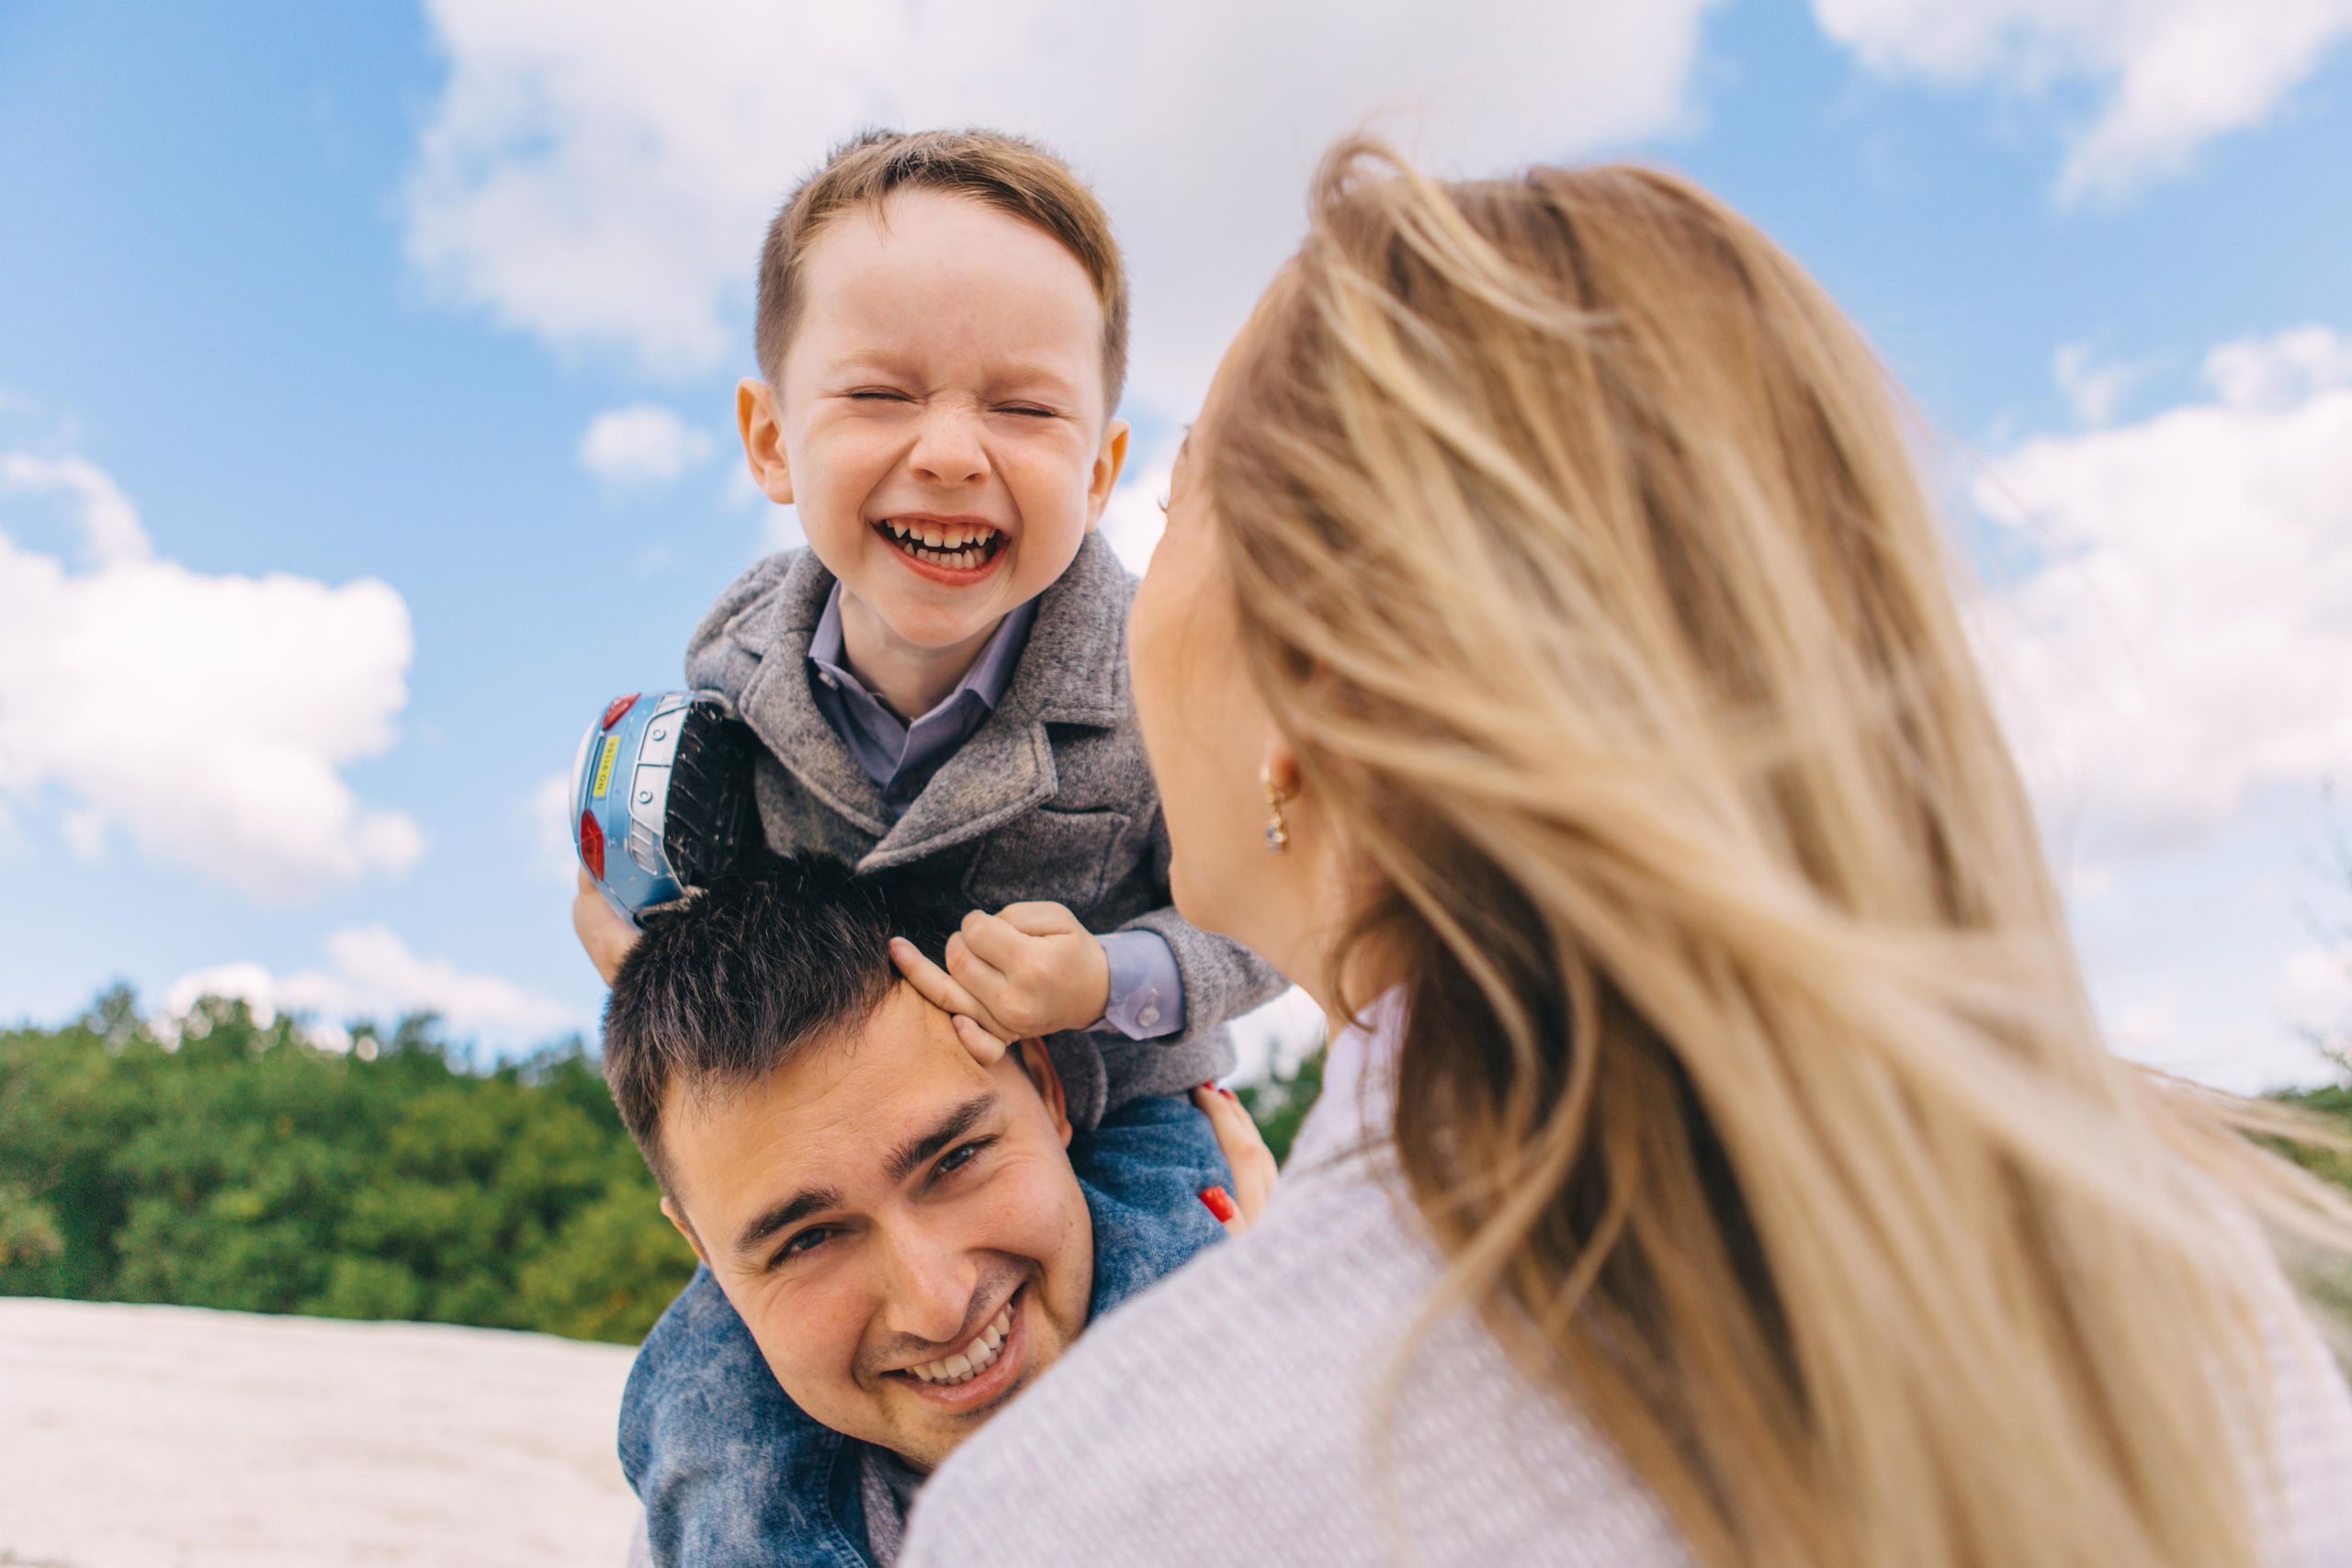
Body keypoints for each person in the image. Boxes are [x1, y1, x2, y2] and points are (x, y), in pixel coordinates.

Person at [899, 141, 2352, 1568]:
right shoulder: (2188, 1293)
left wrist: (1266, 1313)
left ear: (1307, 697)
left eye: (1175, 507)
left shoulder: (1077, 1510)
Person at [569, 126, 1283, 1563]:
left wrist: (1112, 976)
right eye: (880, 394)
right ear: (773, 439)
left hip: (1122, 1103)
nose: (950, 451)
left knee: (1187, 1350)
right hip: (850, 1152)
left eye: (1023, 407)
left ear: (1102, 464)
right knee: (702, 1407)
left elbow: (1268, 914)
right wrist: (634, 923)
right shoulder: (732, 671)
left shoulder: (1154, 675)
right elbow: (665, 885)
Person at [603, 859, 1273, 1568]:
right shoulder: (699, 1534)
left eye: (956, 1159)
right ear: (703, 1251)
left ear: (1048, 1087)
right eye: (810, 1239)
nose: (939, 1306)